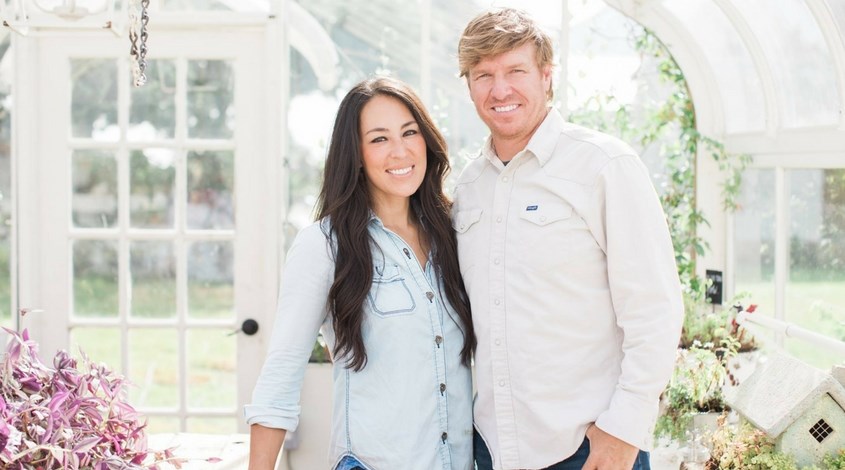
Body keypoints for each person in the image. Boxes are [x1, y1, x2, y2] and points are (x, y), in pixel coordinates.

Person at [453, 8, 684, 470]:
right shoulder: (468, 186)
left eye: (515, 71)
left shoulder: (604, 166)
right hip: (492, 449)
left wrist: (624, 431)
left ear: (546, 76)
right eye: (484, 75)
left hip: (588, 448)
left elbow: (655, 310)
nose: (500, 90)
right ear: (469, 86)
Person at [244, 76, 475, 470]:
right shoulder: (324, 245)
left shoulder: (453, 235)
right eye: (379, 139)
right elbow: (281, 376)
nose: (400, 151)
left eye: (409, 132)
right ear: (356, 154)